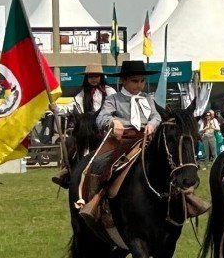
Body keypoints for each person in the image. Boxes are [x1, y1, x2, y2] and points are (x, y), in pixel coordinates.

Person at [77, 60, 188, 219]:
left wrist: (152, 123)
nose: (139, 85)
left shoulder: (148, 98)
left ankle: (185, 198)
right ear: (123, 81)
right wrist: (112, 122)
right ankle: (98, 202)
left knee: (173, 161)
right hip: (122, 140)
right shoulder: (113, 99)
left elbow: (156, 115)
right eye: (135, 81)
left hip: (147, 138)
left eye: (142, 81)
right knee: (99, 163)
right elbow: (101, 118)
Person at [52, 64, 115, 187]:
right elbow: (70, 108)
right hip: (87, 129)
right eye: (90, 76)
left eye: (96, 76)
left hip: (106, 127)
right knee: (70, 142)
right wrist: (56, 109)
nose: (93, 79)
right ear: (86, 78)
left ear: (101, 77)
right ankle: (67, 171)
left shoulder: (110, 92)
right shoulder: (81, 95)